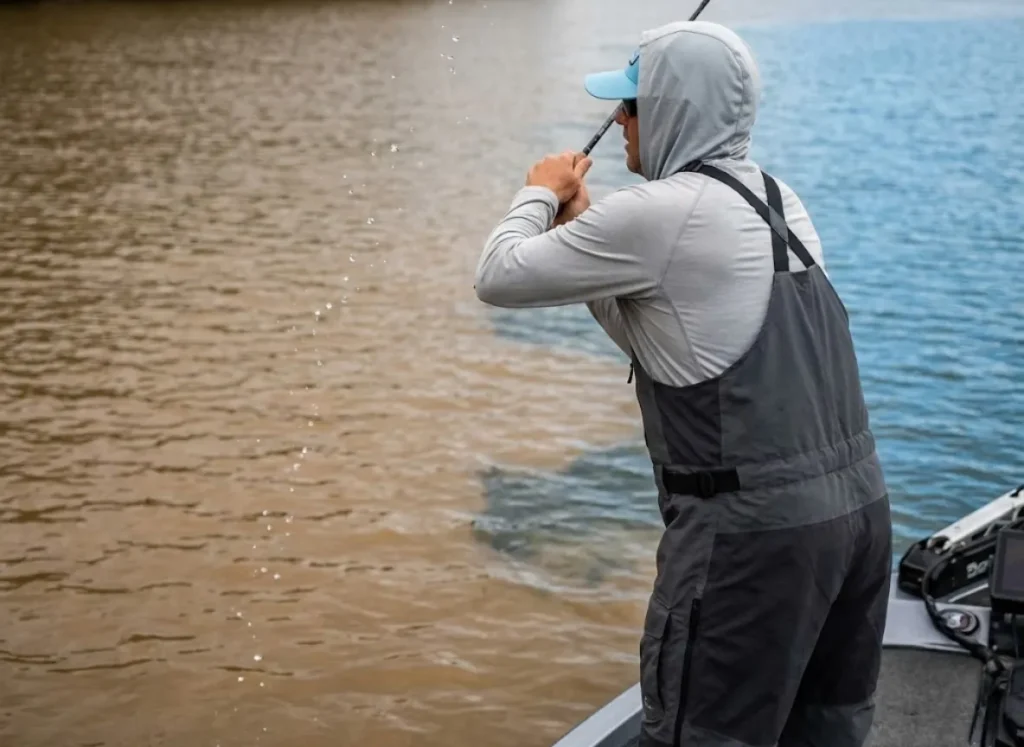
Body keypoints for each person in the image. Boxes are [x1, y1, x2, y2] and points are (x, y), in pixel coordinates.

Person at [473, 19, 893, 747]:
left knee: (703, 734)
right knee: (820, 732)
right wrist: (590, 228)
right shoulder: (778, 200)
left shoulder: (660, 213)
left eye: (632, 106)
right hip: (858, 517)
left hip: (750, 536)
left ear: (672, 108)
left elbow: (498, 274)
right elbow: (677, 335)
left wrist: (538, 193)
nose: (622, 123)